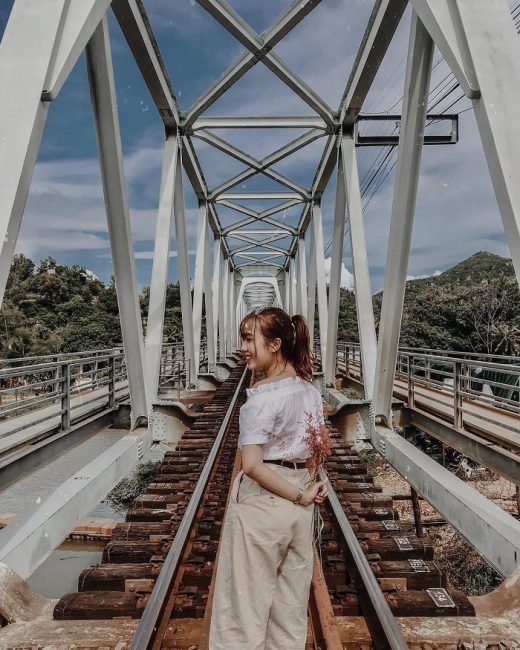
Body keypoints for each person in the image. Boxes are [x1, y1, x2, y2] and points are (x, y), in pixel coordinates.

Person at [209, 306, 329, 650]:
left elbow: (252, 466)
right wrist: (312, 486)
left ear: (274, 344)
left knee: (242, 613)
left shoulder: (261, 400)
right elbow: (316, 449)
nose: (243, 347)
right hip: (300, 507)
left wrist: (297, 495)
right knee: (289, 611)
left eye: (250, 339)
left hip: (268, 504)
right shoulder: (310, 390)